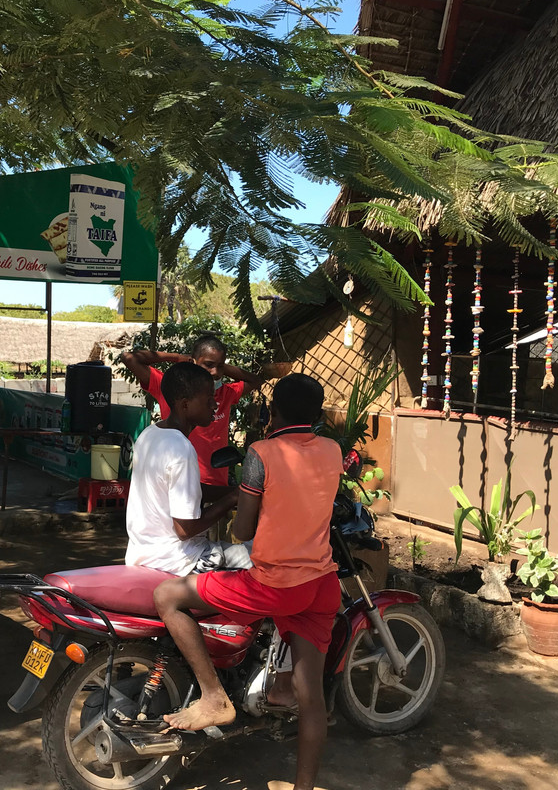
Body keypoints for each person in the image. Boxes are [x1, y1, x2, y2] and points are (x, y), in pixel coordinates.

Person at [153, 373, 342, 790]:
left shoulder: (261, 453)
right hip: (321, 583)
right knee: (311, 699)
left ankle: (214, 696)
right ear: (317, 415)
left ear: (272, 413)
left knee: (167, 595)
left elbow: (240, 531)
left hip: (274, 584)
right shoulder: (333, 450)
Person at [125, 362, 249, 576]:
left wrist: (238, 491)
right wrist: (232, 498)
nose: (215, 404)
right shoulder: (181, 448)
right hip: (180, 560)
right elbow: (185, 530)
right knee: (260, 559)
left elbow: (180, 489)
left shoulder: (150, 434)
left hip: (143, 553)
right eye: (208, 398)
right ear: (184, 405)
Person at [120, 335, 265, 501]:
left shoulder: (226, 393)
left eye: (220, 367)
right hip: (179, 485)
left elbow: (255, 380)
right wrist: (179, 358)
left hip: (216, 489)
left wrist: (221, 366)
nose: (215, 373)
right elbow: (129, 358)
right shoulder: (172, 387)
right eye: (208, 365)